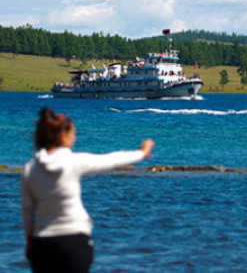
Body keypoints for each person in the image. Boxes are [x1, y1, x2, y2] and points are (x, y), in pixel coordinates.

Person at [22, 107, 155, 273]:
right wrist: (142, 153)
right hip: (74, 241)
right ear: (63, 135)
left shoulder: (30, 169)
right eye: (73, 133)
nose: (75, 137)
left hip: (42, 244)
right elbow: (112, 160)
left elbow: (27, 211)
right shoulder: (73, 161)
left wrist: (29, 241)